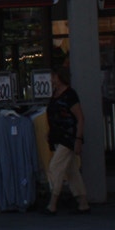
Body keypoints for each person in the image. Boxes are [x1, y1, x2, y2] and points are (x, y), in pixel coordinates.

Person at [44, 66, 90, 215]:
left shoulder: (70, 95)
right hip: (59, 137)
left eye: (54, 77)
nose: (51, 79)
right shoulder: (55, 93)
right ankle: (83, 202)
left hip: (68, 137)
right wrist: (50, 132)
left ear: (60, 77)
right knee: (71, 171)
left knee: (55, 167)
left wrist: (78, 139)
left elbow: (80, 118)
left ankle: (53, 203)